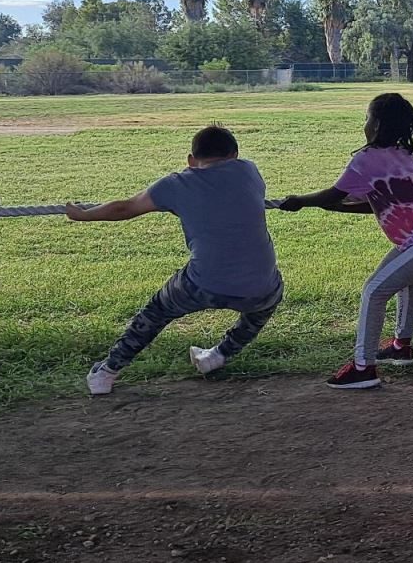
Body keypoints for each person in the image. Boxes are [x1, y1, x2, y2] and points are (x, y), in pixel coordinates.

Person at [67, 126, 283, 396]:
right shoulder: (249, 170)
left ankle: (107, 372)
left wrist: (82, 215)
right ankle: (218, 356)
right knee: (264, 304)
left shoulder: (176, 184)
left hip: (203, 283)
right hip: (261, 286)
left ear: (191, 160)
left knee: (156, 312)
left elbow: (125, 208)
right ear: (236, 155)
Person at [279, 94, 413, 389]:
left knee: (375, 290)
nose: (365, 123)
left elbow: (334, 195)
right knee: (404, 279)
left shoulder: (366, 159)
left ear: (377, 123)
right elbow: (379, 201)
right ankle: (401, 346)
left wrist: (300, 201)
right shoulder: (400, 155)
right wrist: (331, 205)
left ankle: (363, 368)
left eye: (368, 117)